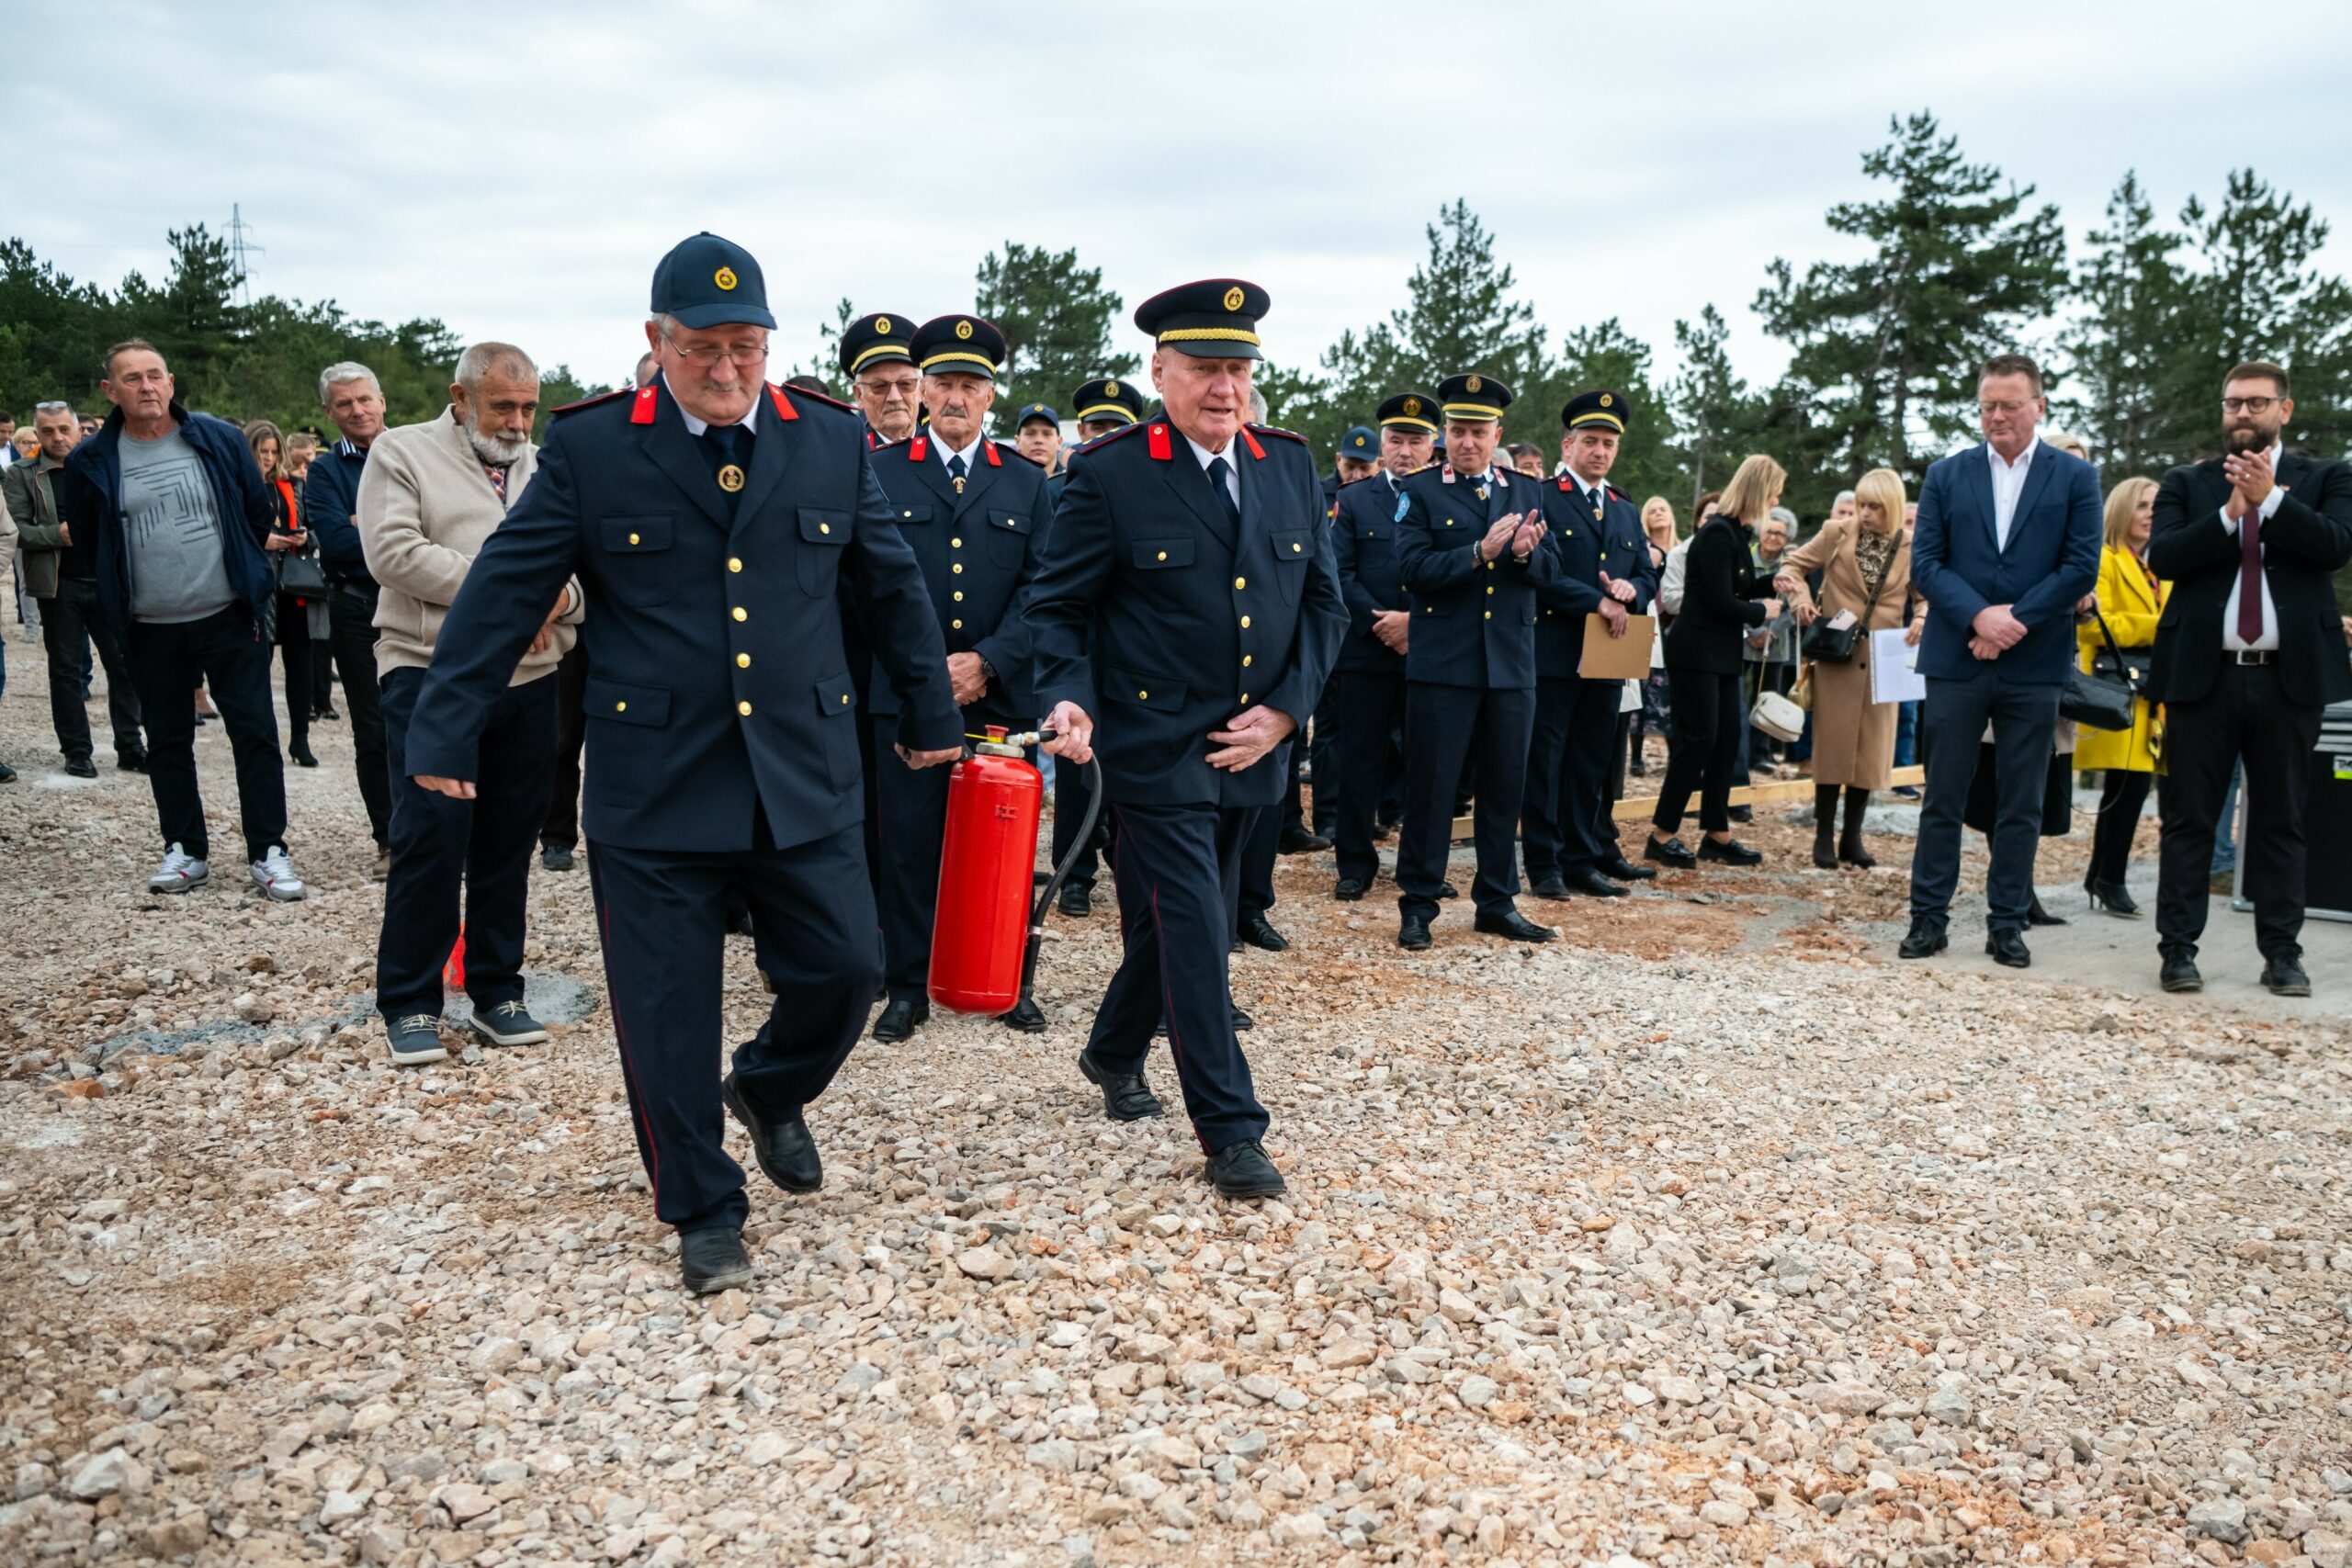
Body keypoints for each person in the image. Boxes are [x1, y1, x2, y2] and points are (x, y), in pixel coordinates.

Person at [403, 233, 962, 1293]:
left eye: (745, 346)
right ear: (656, 343)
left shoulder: (830, 440)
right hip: (654, 787)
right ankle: (703, 1206)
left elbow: (889, 584)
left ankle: (766, 1085)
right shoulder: (596, 448)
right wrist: (443, 729)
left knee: (846, 970)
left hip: (803, 769)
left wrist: (929, 710)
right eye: (702, 347)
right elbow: (505, 589)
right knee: (665, 1016)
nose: (725, 369)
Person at [1027, 277, 1345, 1201]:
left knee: (1178, 923)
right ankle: (1232, 1132)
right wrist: (1069, 697)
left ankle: (1110, 1049)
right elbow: (1058, 608)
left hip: (1257, 743)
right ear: (1158, 370)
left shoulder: (1286, 462)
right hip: (1152, 743)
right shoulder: (1111, 472)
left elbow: (1322, 601)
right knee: (1202, 929)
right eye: (1204, 369)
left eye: (1239, 369)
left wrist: (1288, 709)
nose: (1224, 389)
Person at [360, 342, 583, 1066]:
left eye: (527, 408)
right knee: (430, 836)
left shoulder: (549, 466)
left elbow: (584, 568)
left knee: (508, 839)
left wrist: (564, 596)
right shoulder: (400, 452)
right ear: (460, 399)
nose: (518, 423)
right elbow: (392, 551)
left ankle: (497, 989)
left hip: (530, 674)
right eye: (502, 407)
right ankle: (412, 1001)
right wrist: (511, 591)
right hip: (427, 671)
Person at [52, 340, 304, 899]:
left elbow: (254, 510)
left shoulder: (216, 438)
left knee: (256, 735)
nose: (146, 387)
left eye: (155, 376)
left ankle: (269, 851)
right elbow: (90, 538)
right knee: (166, 740)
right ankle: (186, 850)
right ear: (109, 391)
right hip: (148, 625)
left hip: (228, 614)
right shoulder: (93, 459)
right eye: (132, 379)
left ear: (170, 382)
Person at [863, 314, 1050, 1043]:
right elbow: (866, 589)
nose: (954, 397)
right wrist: (924, 675)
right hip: (905, 693)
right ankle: (907, 985)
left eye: (970, 385)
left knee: (1005, 843)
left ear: (990, 397)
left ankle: (1010, 979)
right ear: (922, 392)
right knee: (906, 843)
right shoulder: (879, 473)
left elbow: (1045, 589)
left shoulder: (1029, 484)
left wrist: (989, 661)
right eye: (941, 383)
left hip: (1000, 694)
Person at [2147, 361, 2352, 998]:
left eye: (2257, 403)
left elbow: (2335, 546)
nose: (2243, 413)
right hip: (2203, 679)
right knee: (2189, 819)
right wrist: (2232, 515)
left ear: (2284, 411)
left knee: (2281, 820)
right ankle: (2178, 949)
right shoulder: (2187, 481)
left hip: (2286, 681)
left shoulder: (2326, 477)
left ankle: (2282, 954)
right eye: (2234, 402)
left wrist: (2273, 502)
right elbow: (2166, 555)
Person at [1902, 354, 2101, 969]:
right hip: (1957, 657)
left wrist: (2012, 621)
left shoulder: (2074, 477)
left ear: (2039, 406)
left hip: (2033, 661)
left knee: (2021, 801)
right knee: (1943, 797)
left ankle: (2007, 923)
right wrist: (1978, 618)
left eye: (2009, 404)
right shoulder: (1946, 474)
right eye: (1987, 405)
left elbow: (2079, 567)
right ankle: (1928, 919)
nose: (1997, 416)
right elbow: (1927, 564)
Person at [1392, 373, 1556, 949]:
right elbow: (1411, 570)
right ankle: (1417, 902)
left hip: (1510, 665)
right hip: (1445, 665)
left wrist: (1523, 557)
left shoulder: (1527, 491)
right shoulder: (1421, 491)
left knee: (1504, 787)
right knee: (1432, 790)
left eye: (1478, 432)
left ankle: (1497, 900)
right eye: (1458, 431)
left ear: (1497, 434)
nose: (1467, 442)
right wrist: (1478, 553)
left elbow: (1552, 574)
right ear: (1444, 434)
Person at [1524, 389, 1659, 899]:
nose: (1599, 451)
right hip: (1555, 649)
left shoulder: (1624, 510)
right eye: (1590, 442)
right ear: (1568, 444)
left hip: (1608, 653)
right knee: (1547, 760)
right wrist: (1595, 600)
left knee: (1590, 761)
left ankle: (1581, 859)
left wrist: (1632, 591)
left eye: (1608, 443)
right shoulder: (1543, 496)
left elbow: (1646, 574)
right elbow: (1540, 573)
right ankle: (1543, 863)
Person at [1042, 375, 1149, 918]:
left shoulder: (1144, 487)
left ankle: (1125, 859)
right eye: (1095, 427)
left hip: (1133, 655)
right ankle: (1076, 872)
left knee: (1130, 767)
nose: (1101, 435)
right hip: (1080, 652)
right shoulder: (1056, 491)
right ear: (1079, 431)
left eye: (1115, 427)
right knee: (1078, 769)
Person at [1646, 456, 1784, 868]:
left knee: (1726, 742)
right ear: (1759, 490)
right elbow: (1720, 600)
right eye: (1775, 490)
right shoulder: (1717, 534)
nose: (1777, 499)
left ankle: (1717, 833)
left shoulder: (1736, 533)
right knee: (1698, 740)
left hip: (1721, 654)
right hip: (1696, 653)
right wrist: (1762, 611)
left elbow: (1735, 583)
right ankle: (1662, 833)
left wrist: (1769, 582)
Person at [1777, 467, 1915, 870]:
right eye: (1861, 504)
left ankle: (1852, 838)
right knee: (1832, 748)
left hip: (1884, 660)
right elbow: (1792, 565)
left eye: (1874, 506)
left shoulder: (1910, 545)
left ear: (1891, 507)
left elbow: (1925, 596)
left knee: (1871, 754)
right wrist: (1799, 599)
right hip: (1837, 653)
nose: (1865, 513)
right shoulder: (1836, 533)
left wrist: (1922, 618)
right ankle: (1822, 837)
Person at [1329, 389, 1436, 900]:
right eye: (1396, 439)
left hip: (1432, 651)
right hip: (1367, 651)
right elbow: (1339, 573)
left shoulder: (1447, 497)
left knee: (1427, 762)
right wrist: (1385, 624)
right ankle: (1354, 862)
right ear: (1382, 446)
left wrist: (1415, 623)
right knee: (1360, 759)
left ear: (1432, 447)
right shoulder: (1353, 500)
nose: (1406, 450)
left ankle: (1421, 865)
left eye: (1416, 441)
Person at [6, 401, 146, 777]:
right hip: (59, 585)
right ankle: (77, 750)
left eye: (63, 430)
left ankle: (131, 745)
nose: (57, 437)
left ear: (77, 430)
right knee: (66, 672)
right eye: (48, 431)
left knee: (125, 666)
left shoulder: (103, 465)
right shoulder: (21, 474)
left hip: (107, 583)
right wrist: (57, 534)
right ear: (37, 434)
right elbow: (15, 530)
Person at [302, 362, 396, 875]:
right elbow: (337, 544)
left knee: (438, 719)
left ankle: (442, 833)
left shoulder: (416, 451)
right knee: (374, 728)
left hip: (423, 606)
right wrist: (398, 535)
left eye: (364, 399)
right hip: (359, 609)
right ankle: (390, 840)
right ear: (328, 412)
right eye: (344, 403)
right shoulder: (324, 471)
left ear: (382, 400)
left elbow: (442, 530)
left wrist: (369, 525)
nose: (357, 410)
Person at [2072, 475, 2165, 917]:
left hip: (2149, 690)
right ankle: (2109, 877)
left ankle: (2105, 875)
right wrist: (2161, 627)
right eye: (2143, 505)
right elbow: (2093, 624)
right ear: (2123, 509)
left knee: (2131, 790)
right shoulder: (2105, 559)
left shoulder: (2155, 567)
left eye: (2156, 506)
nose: (2151, 514)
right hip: (2116, 685)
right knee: (2123, 789)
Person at [243, 420, 320, 769]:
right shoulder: (238, 486)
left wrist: (305, 537)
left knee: (300, 665)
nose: (269, 459)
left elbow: (314, 526)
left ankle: (300, 737)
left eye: (274, 452)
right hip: (256, 586)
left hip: (294, 586)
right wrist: (260, 540)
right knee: (255, 665)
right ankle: (260, 738)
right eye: (263, 453)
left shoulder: (293, 485)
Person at [838, 313, 922, 448]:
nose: (894, 397)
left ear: (921, 390)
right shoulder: (846, 457)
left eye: (905, 384)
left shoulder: (945, 454)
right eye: (879, 386)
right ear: (859, 395)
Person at [1012, 401, 1063, 473]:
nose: (1039, 440)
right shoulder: (1002, 482)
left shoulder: (1074, 482)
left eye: (1047, 434)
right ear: (1017, 441)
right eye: (1030, 434)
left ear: (1059, 442)